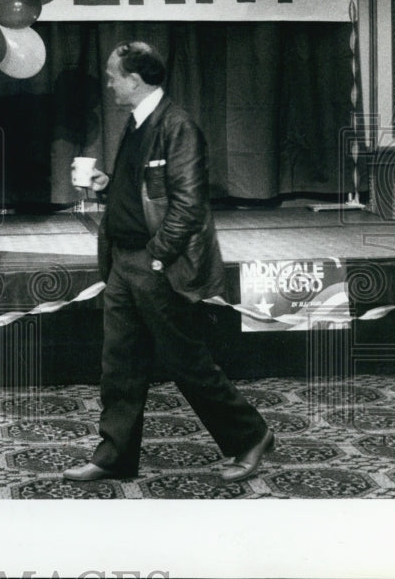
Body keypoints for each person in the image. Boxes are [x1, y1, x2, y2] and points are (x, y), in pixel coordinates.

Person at [65, 40, 274, 483]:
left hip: (153, 264)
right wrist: (106, 184)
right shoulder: (138, 122)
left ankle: (250, 436)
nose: (108, 82)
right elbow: (143, 192)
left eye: (113, 75)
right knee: (119, 364)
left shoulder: (177, 127)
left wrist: (158, 258)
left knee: (187, 363)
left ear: (135, 81)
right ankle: (114, 456)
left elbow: (188, 207)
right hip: (123, 262)